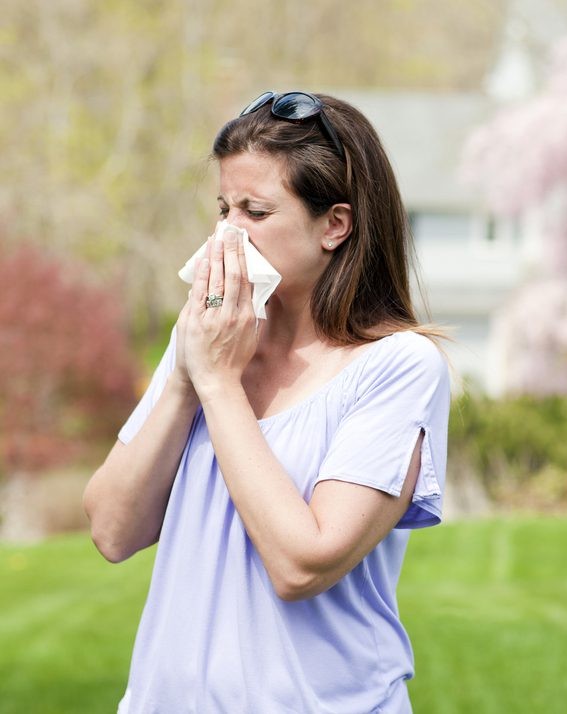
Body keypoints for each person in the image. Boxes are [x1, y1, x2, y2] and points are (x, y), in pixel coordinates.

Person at [83, 91, 452, 714]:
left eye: (255, 211)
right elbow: (113, 531)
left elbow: (302, 566)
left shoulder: (397, 367)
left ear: (334, 225)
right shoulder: (205, 339)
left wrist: (219, 385)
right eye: (223, 208)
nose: (227, 234)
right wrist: (187, 378)